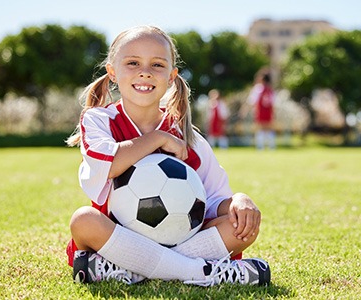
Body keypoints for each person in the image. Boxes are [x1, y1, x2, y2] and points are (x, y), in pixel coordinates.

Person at [66, 25, 270, 287]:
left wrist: (239, 202)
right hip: (116, 237)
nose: (145, 72)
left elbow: (214, 200)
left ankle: (132, 270)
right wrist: (158, 138)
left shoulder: (189, 138)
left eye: (157, 65)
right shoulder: (99, 120)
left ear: (172, 76)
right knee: (83, 221)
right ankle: (202, 272)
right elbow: (110, 164)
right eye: (133, 62)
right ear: (112, 72)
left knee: (240, 227)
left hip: (179, 237)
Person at [247, 72, 276, 150]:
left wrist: (247, 109)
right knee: (268, 129)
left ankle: (260, 147)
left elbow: (252, 101)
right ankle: (271, 146)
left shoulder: (258, 89)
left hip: (260, 111)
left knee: (260, 129)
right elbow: (273, 102)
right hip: (268, 112)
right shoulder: (270, 90)